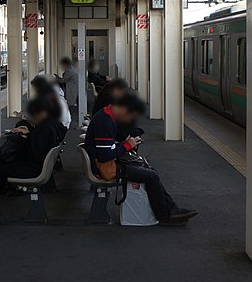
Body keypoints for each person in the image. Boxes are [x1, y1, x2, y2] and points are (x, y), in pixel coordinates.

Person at [84, 92, 197, 226]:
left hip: (106, 162)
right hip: (103, 167)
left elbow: (105, 147)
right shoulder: (105, 122)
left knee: (149, 170)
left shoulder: (107, 114)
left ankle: (172, 210)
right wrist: (127, 145)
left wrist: (122, 144)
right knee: (151, 176)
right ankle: (164, 216)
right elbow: (104, 155)